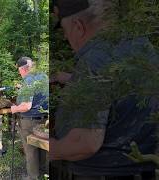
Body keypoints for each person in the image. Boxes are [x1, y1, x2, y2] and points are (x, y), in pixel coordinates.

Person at [50, 0, 159, 180]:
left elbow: (85, 143)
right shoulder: (140, 44)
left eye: (64, 30)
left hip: (105, 172)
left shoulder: (94, 59)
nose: (65, 37)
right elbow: (121, 86)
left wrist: (52, 148)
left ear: (78, 26)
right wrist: (72, 78)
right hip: (142, 168)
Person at [11, 56, 49, 180]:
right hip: (44, 120)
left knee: (30, 150)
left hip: (29, 121)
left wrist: (14, 109)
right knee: (42, 148)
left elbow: (27, 106)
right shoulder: (43, 76)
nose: (19, 74)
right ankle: (44, 172)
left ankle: (33, 176)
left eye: (19, 71)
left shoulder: (28, 80)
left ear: (23, 69)